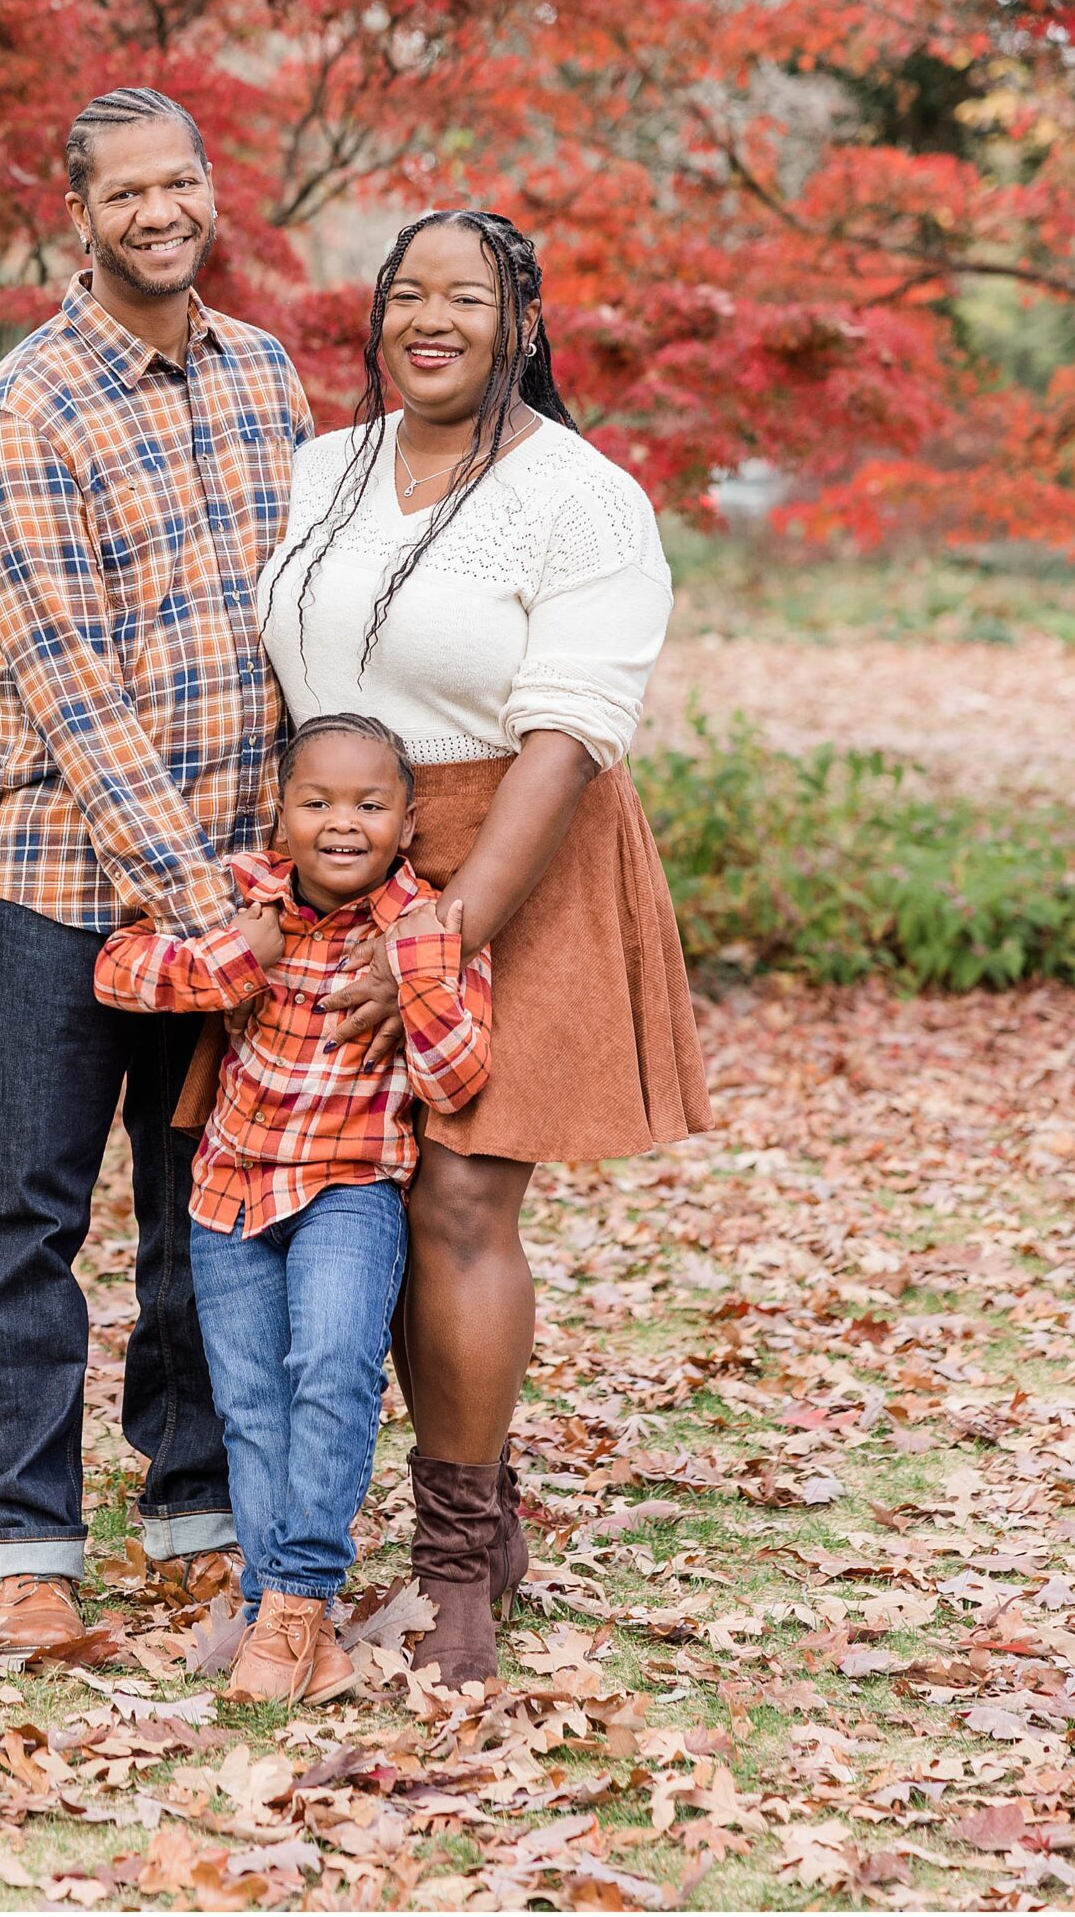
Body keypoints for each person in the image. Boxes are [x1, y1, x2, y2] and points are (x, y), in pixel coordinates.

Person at [258, 209, 712, 1688]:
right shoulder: (322, 469)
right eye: (405, 294)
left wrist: (446, 936)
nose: (430, 319)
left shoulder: (582, 497)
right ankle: (487, 1502)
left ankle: (454, 1571)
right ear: (374, 316)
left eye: (468, 297)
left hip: (514, 847)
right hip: (337, 859)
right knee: (354, 1200)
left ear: (524, 324)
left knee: (458, 1200)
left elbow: (573, 727)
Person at [0, 84, 313, 1647]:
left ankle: (193, 1498)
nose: (161, 213)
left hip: (232, 879)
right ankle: (25, 1544)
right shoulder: (25, 404)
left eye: (182, 183)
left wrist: (291, 869)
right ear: (78, 214)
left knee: (198, 1206)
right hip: (54, 879)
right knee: (33, 1212)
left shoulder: (266, 377)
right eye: (127, 193)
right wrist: (200, 895)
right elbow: (66, 678)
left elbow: (308, 618)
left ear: (208, 190)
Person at [94, 713, 492, 1707]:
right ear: (280, 816)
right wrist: (236, 960)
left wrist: (411, 976)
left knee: (333, 1366)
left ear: (407, 822)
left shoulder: (428, 925)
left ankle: (294, 1604)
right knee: (250, 1402)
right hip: (230, 1193)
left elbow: (459, 1076)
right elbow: (116, 967)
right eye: (315, 802)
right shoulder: (245, 898)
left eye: (368, 804)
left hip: (351, 1188)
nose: (340, 823)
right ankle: (290, 1624)